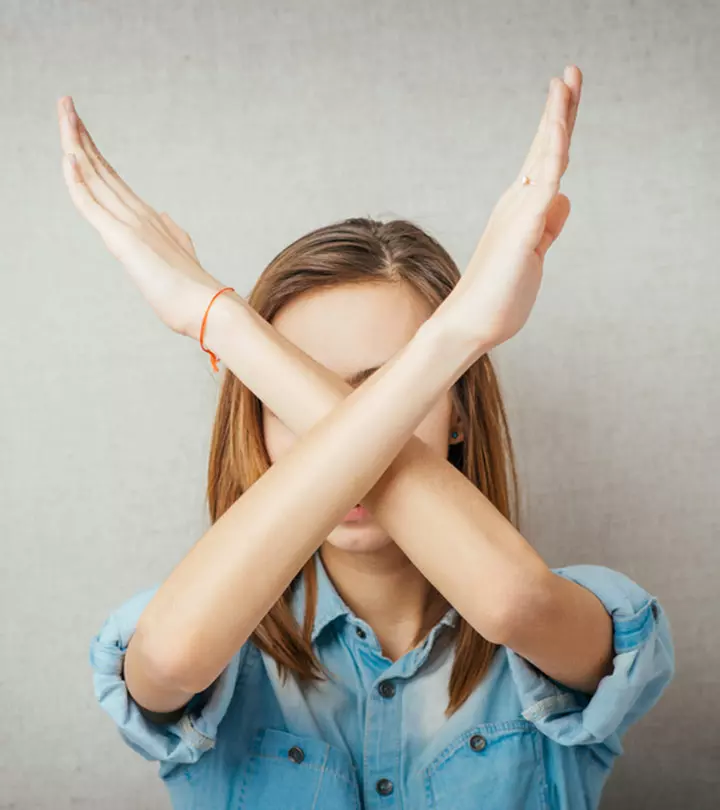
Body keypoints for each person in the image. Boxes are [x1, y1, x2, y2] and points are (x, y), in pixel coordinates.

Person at [59, 64, 675, 810]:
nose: (351, 469)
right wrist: (442, 341)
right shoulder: (205, 624)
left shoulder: (578, 621)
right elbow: (168, 658)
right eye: (289, 393)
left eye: (387, 388)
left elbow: (511, 602)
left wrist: (222, 324)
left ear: (459, 413)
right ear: (249, 421)